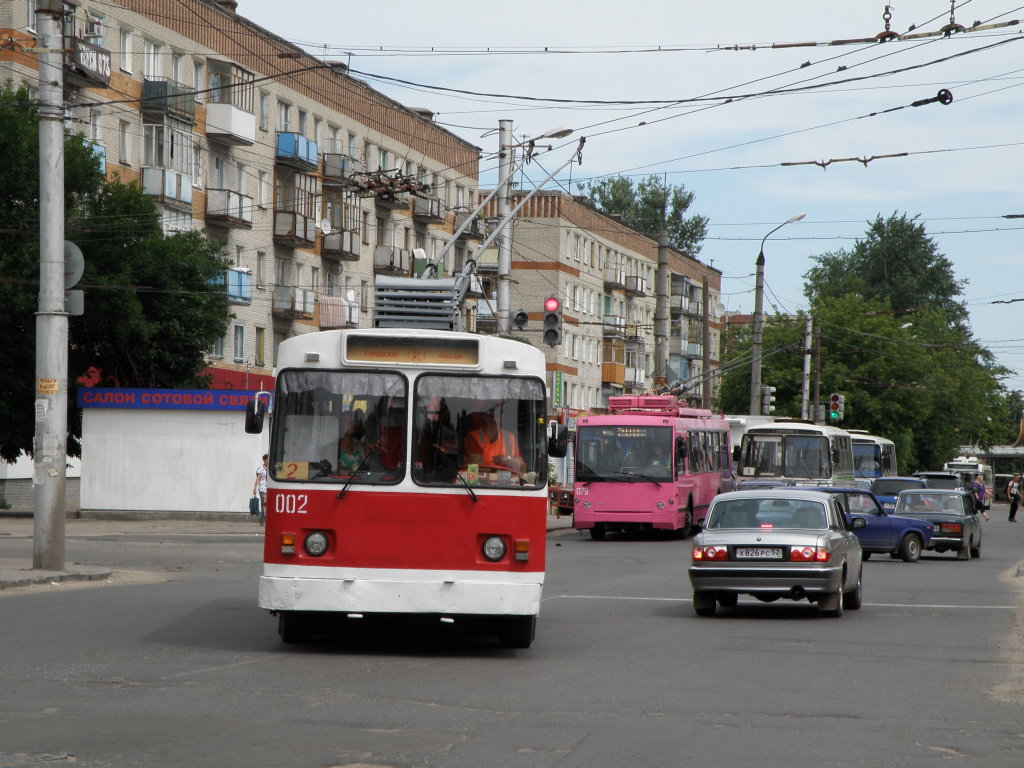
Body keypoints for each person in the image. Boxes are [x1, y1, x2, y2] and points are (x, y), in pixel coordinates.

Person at [464, 410, 526, 475]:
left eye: (495, 414)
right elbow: (475, 465)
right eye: (489, 414)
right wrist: (498, 473)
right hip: (477, 483)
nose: (492, 418)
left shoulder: (509, 437)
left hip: (506, 484)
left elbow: (521, 466)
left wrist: (506, 459)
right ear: (482, 417)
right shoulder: (474, 436)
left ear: (502, 417)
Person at [252, 454, 268, 526]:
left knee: (266, 505)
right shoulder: (261, 469)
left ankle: (263, 520)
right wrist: (255, 488)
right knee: (264, 504)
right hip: (262, 488)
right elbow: (258, 479)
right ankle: (262, 521)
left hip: (268, 489)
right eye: (266, 459)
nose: (268, 461)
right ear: (264, 460)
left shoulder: (270, 468)